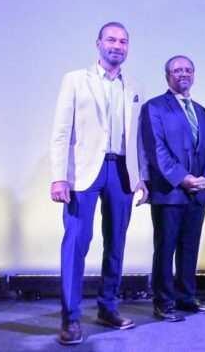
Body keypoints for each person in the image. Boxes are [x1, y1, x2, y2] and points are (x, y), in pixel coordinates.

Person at [50, 22, 148, 345]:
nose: (117, 46)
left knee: (116, 242)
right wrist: (59, 176)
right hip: (83, 173)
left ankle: (108, 307)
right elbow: (61, 131)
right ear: (98, 44)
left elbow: (137, 138)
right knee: (77, 243)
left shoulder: (133, 85)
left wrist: (141, 177)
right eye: (111, 40)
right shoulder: (75, 80)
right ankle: (71, 318)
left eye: (123, 41)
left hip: (121, 170)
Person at [140, 55, 205, 323]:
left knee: (189, 248)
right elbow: (156, 149)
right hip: (169, 193)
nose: (184, 74)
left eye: (188, 70)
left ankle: (186, 296)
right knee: (165, 250)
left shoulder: (201, 111)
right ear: (167, 76)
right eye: (178, 70)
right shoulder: (154, 107)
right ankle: (163, 302)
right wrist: (182, 178)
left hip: (198, 193)